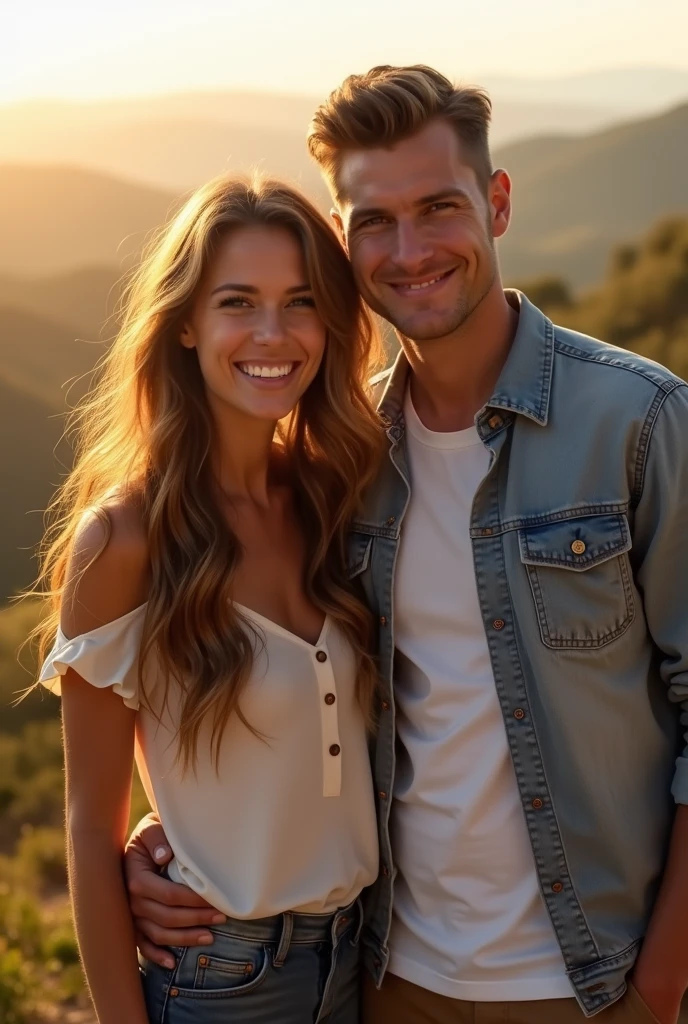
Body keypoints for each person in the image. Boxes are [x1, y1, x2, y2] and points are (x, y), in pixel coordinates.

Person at [125, 66, 688, 1023]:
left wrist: (661, 984)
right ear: (344, 242)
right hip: (387, 977)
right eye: (374, 221)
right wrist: (175, 827)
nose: (410, 248)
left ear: (497, 203)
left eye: (438, 207)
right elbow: (301, 688)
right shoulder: (339, 461)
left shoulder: (638, 423)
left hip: (590, 985)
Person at [34, 175, 387, 1024]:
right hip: (222, 981)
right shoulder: (122, 543)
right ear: (184, 323)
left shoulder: (337, 497)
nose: (274, 333)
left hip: (369, 957)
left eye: (300, 301)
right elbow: (90, 826)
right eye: (239, 302)